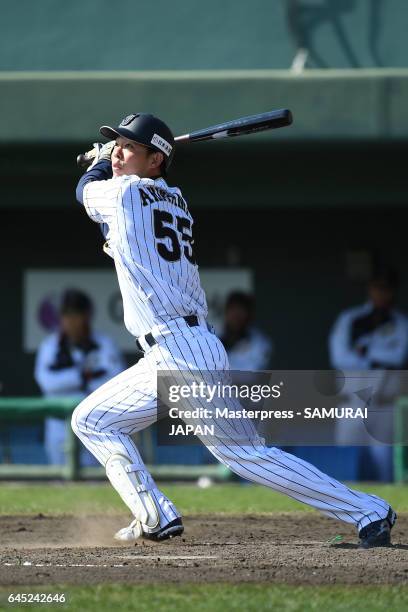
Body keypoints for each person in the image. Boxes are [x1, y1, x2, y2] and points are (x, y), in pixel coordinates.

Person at [72, 112, 396, 548]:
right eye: (117, 144)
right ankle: (153, 514)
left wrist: (94, 163)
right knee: (94, 420)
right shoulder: (173, 197)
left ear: (155, 161)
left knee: (245, 454)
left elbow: (84, 191)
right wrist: (118, 156)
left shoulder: (127, 192)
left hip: (181, 349)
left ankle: (368, 510)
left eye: (128, 147)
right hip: (173, 350)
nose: (117, 152)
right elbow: (125, 194)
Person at [329, 266, 408, 481]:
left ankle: (386, 510)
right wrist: (375, 359)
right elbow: (339, 357)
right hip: (351, 402)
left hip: (383, 404)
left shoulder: (401, 323)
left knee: (385, 465)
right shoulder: (350, 319)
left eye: (386, 288)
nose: (381, 293)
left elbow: (397, 357)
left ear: (393, 291)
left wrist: (365, 353)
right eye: (377, 287)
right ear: (370, 289)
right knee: (346, 461)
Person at [35, 289, 125, 466]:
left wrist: (81, 381)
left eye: (75, 314)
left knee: (97, 483)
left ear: (86, 316)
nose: (70, 321)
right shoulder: (50, 346)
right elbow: (46, 383)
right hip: (58, 425)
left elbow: (117, 381)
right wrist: (82, 377)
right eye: (66, 315)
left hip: (96, 424)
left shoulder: (104, 344)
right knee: (60, 483)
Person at [220, 291, 272, 375]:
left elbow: (252, 373)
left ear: (249, 314)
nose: (236, 315)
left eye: (241, 310)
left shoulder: (260, 343)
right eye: (232, 309)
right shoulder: (214, 337)